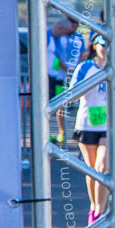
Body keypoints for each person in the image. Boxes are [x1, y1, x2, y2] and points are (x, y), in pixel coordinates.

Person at [70, 33, 115, 224]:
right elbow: (72, 94)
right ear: (95, 46)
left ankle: (100, 211)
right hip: (87, 123)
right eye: (102, 45)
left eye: (109, 45)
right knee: (92, 170)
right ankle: (93, 206)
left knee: (103, 167)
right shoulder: (85, 67)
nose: (105, 49)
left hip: (108, 125)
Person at [46, 15, 82, 144]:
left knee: (60, 103)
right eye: (64, 32)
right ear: (60, 28)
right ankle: (45, 133)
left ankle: (62, 132)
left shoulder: (56, 39)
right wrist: (68, 70)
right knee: (46, 105)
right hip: (47, 78)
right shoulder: (46, 36)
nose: (64, 35)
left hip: (57, 77)